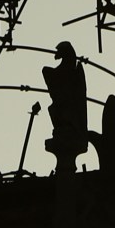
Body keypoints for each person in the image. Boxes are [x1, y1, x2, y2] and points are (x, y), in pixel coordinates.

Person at [40, 41, 90, 174]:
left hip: (70, 110)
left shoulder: (74, 70)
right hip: (63, 108)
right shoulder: (63, 70)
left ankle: (71, 126)